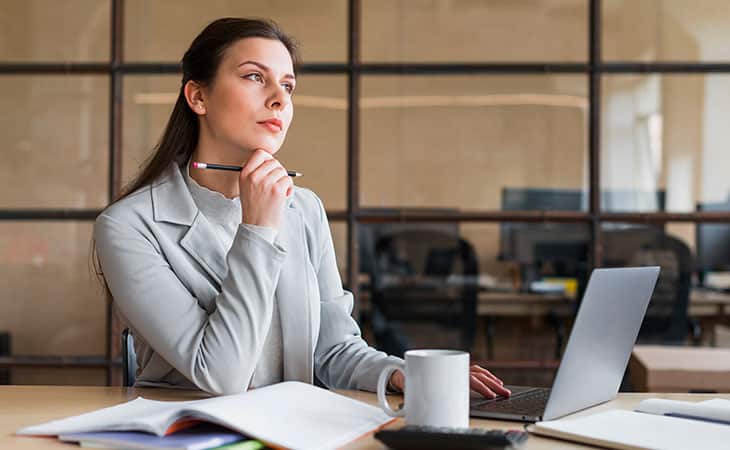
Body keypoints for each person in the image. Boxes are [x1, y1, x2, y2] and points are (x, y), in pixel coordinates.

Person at [93, 17, 510, 398]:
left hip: (293, 433)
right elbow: (220, 375)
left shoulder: (304, 209)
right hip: (189, 435)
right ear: (198, 96)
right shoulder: (129, 226)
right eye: (255, 77)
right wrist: (257, 230)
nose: (279, 99)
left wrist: (400, 373)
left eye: (288, 86)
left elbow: (333, 350)